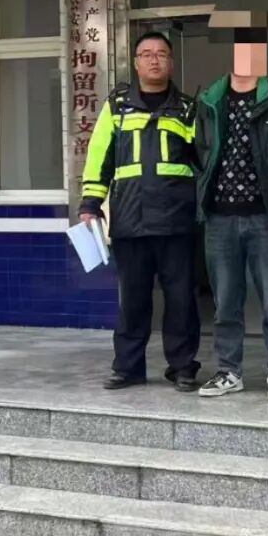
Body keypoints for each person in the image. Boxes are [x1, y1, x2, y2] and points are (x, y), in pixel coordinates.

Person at [193, 0, 268, 402]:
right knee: (225, 302)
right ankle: (229, 371)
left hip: (265, 219)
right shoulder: (209, 101)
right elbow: (199, 151)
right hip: (219, 219)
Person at [78, 32, 202, 392]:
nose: (154, 59)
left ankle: (182, 367)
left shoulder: (188, 109)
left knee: (181, 300)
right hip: (131, 221)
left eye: (161, 54)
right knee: (132, 300)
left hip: (177, 222)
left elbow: (203, 161)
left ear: (171, 63)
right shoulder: (116, 106)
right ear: (135, 63)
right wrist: (90, 203)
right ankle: (128, 367)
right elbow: (99, 155)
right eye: (146, 54)